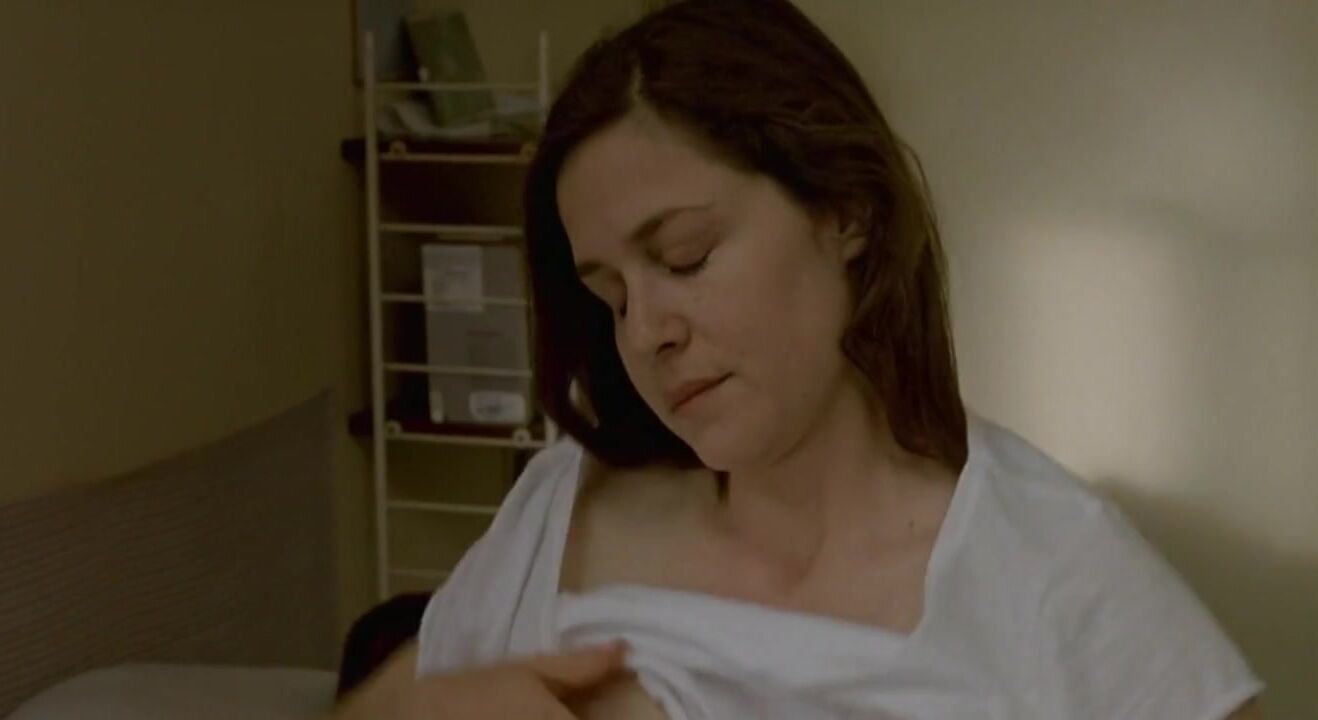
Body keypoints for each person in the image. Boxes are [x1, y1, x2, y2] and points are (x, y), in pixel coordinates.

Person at [334, 0, 1264, 717]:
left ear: (845, 211)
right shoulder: (557, 512)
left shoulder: (1055, 573)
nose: (647, 331)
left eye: (686, 257)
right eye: (611, 295)